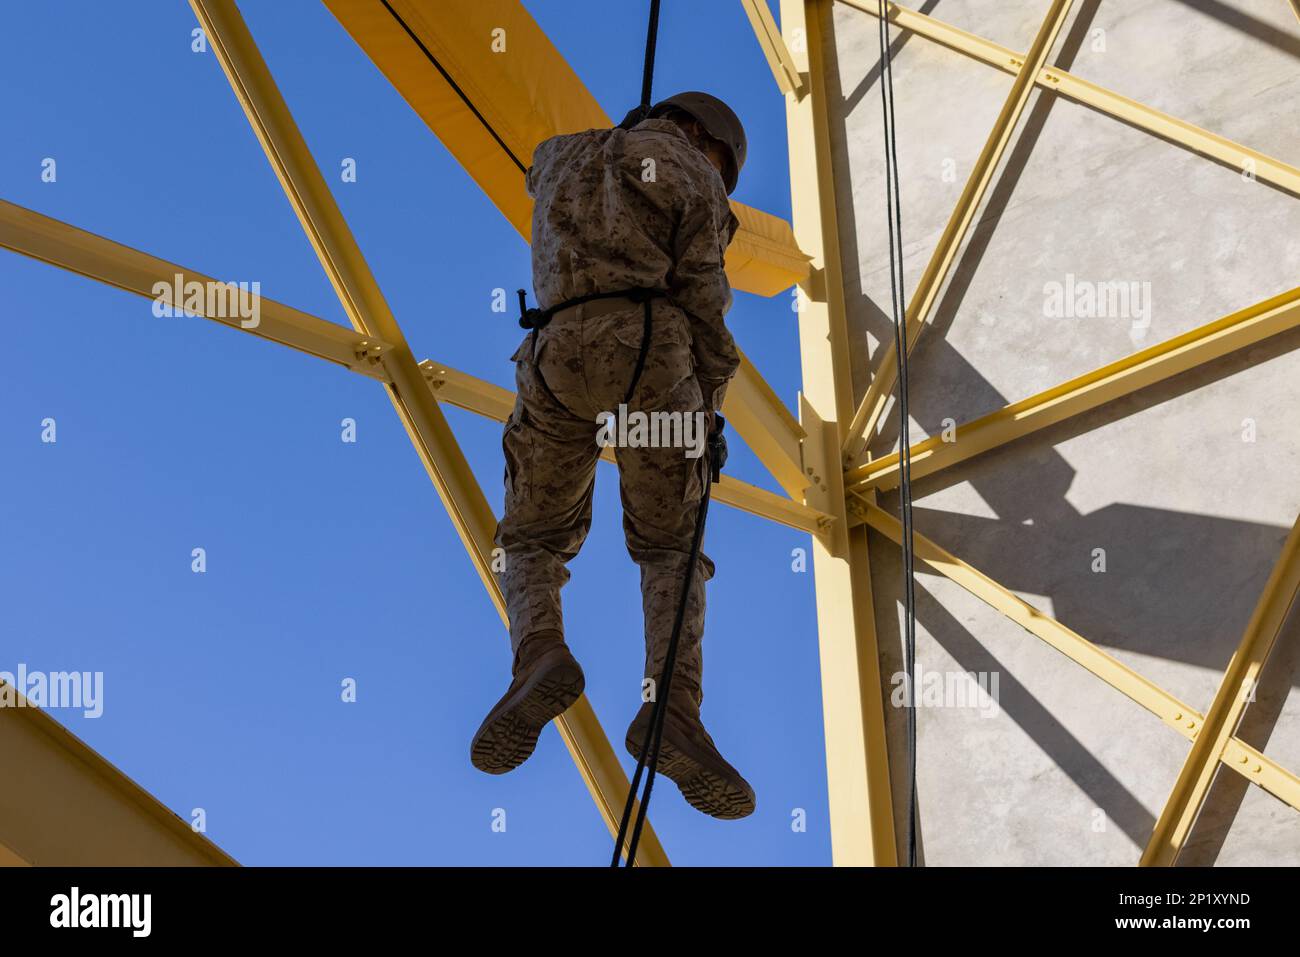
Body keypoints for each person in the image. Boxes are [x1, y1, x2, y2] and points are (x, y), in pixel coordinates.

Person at [469, 92, 755, 820]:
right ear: (701, 136)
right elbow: (704, 306)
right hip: (648, 355)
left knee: (530, 535)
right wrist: (709, 411)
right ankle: (672, 708)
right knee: (670, 546)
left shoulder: (560, 154)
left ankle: (538, 649)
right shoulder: (692, 171)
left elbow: (538, 172)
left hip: (553, 354)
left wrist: (615, 145)